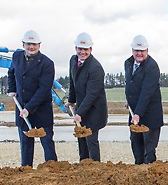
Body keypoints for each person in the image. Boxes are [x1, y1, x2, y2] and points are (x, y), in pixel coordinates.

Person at [7, 30, 58, 166]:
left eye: (34, 44)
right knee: (25, 143)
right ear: (23, 44)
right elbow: (11, 72)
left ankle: (53, 170)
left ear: (39, 45)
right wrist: (11, 89)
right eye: (29, 44)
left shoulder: (47, 63)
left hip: (41, 110)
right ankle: (26, 169)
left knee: (47, 142)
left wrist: (28, 108)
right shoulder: (16, 56)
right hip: (22, 107)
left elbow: (44, 89)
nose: (32, 47)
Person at [67, 32, 108, 162]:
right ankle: (83, 165)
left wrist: (79, 113)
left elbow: (92, 94)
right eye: (80, 49)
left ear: (91, 49)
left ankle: (95, 167)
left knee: (91, 140)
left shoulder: (96, 68)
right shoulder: (73, 61)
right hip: (82, 108)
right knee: (81, 137)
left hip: (95, 110)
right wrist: (71, 100)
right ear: (76, 49)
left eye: (85, 49)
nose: (82, 52)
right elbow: (73, 82)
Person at [124, 35, 164, 164]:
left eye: (142, 51)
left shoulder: (152, 67)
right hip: (135, 113)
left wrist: (138, 113)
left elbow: (147, 92)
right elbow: (130, 85)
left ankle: (149, 175)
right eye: (137, 50)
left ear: (147, 50)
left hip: (150, 114)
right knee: (136, 144)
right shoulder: (128, 63)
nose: (139, 53)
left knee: (149, 149)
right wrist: (129, 101)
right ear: (132, 50)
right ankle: (138, 171)